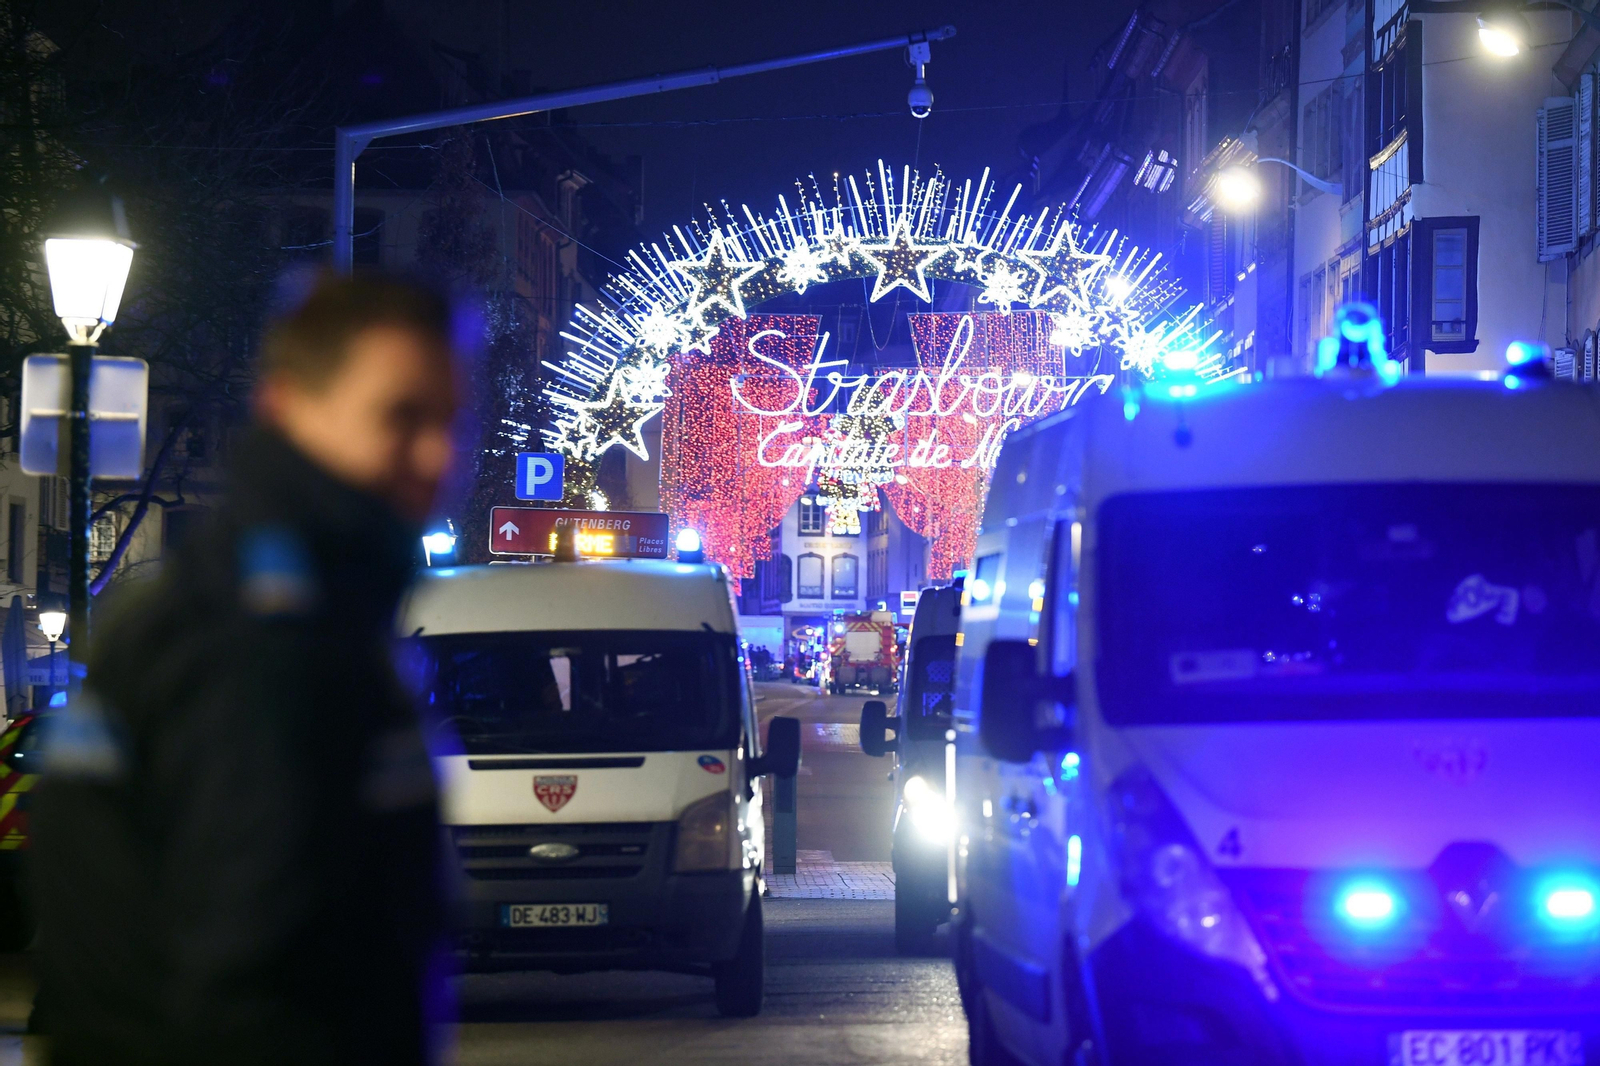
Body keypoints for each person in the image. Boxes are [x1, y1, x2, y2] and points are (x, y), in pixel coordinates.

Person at [33, 271, 463, 1066]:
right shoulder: (269, 643)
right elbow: (248, 987)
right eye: (401, 416)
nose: (436, 455)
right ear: (289, 406)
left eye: (449, 420)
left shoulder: (280, 601)